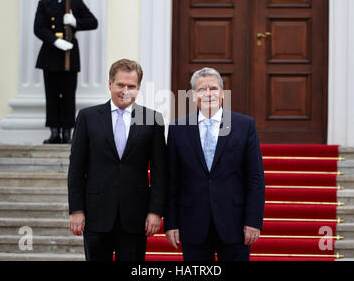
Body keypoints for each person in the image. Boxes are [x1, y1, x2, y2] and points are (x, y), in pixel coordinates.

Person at [68, 59, 168, 261]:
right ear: (110, 84)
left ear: (139, 88)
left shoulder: (152, 119)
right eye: (120, 84)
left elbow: (160, 171)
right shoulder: (88, 117)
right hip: (96, 213)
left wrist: (155, 211)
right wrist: (76, 210)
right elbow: (77, 168)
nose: (125, 90)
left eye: (132, 86)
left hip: (136, 216)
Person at [164, 67, 265, 261]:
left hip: (234, 223)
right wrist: (171, 223)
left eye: (213, 88)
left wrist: (253, 221)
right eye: (202, 89)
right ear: (193, 96)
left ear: (222, 93)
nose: (208, 94)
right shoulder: (178, 129)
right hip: (193, 223)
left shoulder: (244, 126)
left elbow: (255, 178)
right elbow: (172, 181)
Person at [34, 0, 98, 144]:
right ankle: (54, 132)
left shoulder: (75, 2)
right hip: (51, 53)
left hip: (69, 54)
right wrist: (55, 41)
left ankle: (67, 132)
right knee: (52, 94)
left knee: (69, 94)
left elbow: (93, 22)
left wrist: (76, 22)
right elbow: (38, 28)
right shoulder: (44, 3)